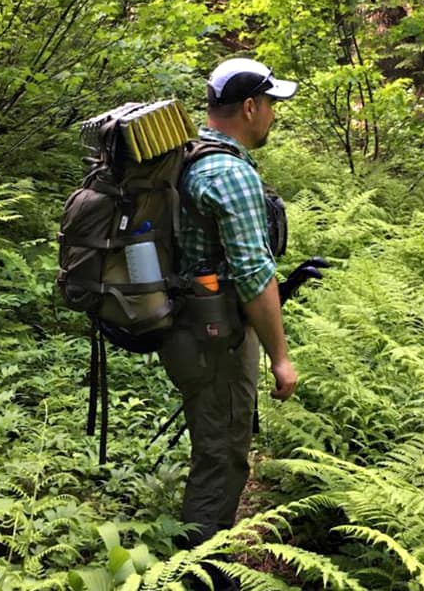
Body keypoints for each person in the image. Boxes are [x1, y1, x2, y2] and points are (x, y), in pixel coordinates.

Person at [158, 57, 299, 556]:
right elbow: (254, 275)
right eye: (271, 105)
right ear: (249, 106)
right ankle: (203, 569)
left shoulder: (192, 154)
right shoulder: (229, 173)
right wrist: (280, 357)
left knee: (213, 445)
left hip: (187, 329)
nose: (273, 115)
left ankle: (200, 557)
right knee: (222, 454)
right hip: (213, 340)